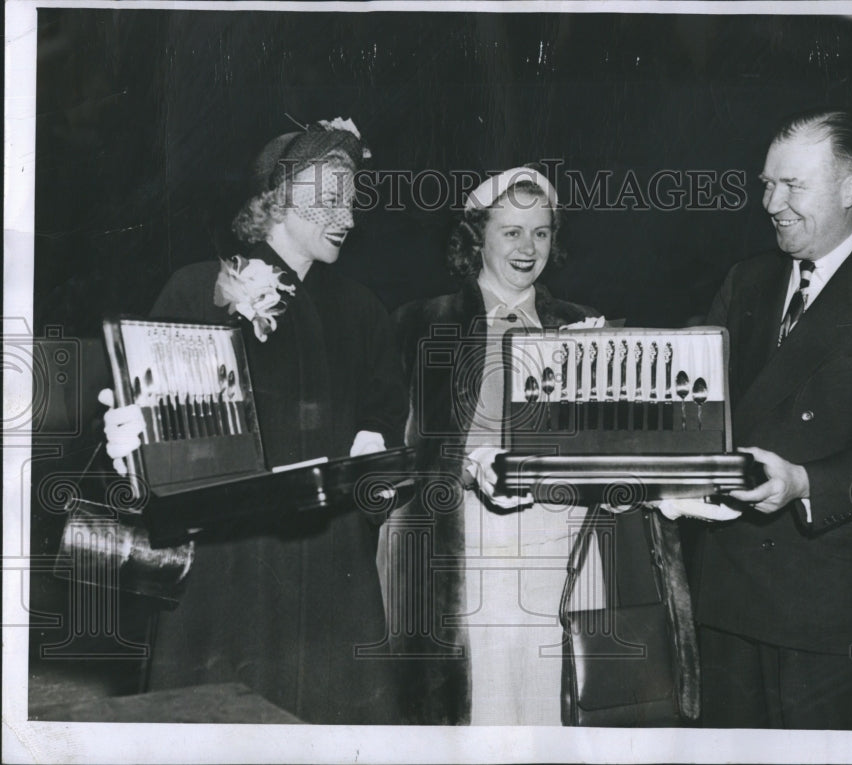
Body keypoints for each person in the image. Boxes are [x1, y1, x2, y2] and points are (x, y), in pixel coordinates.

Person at [103, 118, 408, 724]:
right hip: (229, 573)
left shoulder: (363, 310)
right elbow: (158, 442)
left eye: (350, 198)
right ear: (276, 195)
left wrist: (374, 451)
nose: (345, 213)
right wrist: (129, 445)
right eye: (327, 197)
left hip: (331, 575)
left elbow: (381, 427)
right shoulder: (198, 289)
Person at [383, 167, 701, 725]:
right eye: (511, 232)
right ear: (476, 236)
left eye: (542, 232)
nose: (529, 248)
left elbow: (615, 440)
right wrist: (468, 467)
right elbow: (403, 451)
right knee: (482, 706)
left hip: (565, 541)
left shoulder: (582, 325)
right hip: (469, 544)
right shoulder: (421, 323)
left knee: (560, 699)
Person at [679, 108, 852, 729]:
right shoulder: (744, 282)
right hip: (724, 594)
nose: (770, 203)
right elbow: (698, 413)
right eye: (766, 184)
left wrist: (804, 481)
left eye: (792, 186)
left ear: (851, 190)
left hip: (827, 606)